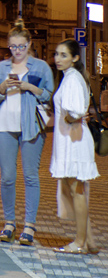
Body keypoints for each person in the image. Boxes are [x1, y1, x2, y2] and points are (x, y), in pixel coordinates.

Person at [0, 20, 55, 246]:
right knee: (7, 176)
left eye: (21, 46)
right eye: (13, 47)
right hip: (5, 125)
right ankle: (9, 224)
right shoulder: (2, 68)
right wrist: (1, 88)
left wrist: (32, 88)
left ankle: (29, 226)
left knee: (30, 176)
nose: (17, 51)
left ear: (29, 44)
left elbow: (49, 95)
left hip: (31, 125)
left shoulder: (41, 67)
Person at [49, 39, 100, 254]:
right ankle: (88, 240)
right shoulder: (73, 77)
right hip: (73, 139)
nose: (58, 59)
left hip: (74, 141)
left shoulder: (71, 79)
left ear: (75, 58)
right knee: (74, 189)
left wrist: (70, 118)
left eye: (63, 55)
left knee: (76, 190)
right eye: (57, 54)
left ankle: (79, 243)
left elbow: (76, 111)